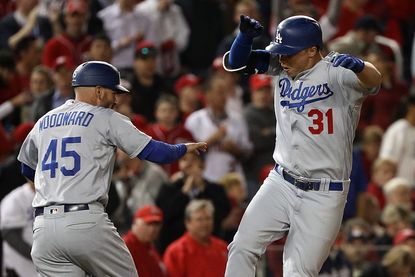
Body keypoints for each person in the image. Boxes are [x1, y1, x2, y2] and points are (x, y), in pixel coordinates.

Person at [222, 15, 382, 276]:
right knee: (241, 246)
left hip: (324, 192)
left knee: (298, 271)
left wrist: (361, 66)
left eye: (289, 53)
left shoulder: (338, 73)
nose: (283, 59)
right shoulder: (280, 66)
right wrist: (245, 38)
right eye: (281, 53)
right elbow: (236, 62)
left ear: (311, 51)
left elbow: (375, 80)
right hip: (281, 182)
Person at [17, 60, 207, 276]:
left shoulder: (44, 121)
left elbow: (26, 167)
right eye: (113, 92)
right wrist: (184, 148)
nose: (117, 99)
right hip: (84, 221)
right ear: (98, 91)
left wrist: (55, 186)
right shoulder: (105, 117)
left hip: (43, 229)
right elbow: (156, 152)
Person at [163, 199, 228, 277]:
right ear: (188, 223)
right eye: (199, 219)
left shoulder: (223, 247)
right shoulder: (175, 252)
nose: (205, 223)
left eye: (208, 218)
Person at [0, 180, 37, 277]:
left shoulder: (50, 196)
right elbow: (10, 234)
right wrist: (37, 255)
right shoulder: (15, 198)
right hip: (19, 268)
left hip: (41, 266)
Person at [123, 205, 167, 277]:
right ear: (135, 223)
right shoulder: (125, 246)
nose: (152, 229)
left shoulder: (150, 247)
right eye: (148, 223)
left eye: (156, 224)